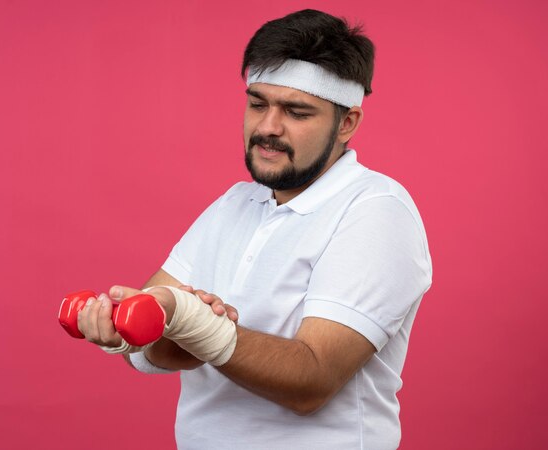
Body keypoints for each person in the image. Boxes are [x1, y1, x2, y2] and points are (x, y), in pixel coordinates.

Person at [77, 9, 432, 450]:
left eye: (297, 112)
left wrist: (188, 319)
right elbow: (156, 344)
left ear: (347, 123)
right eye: (258, 103)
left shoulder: (376, 211)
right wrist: (129, 332)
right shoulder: (235, 204)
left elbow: (311, 381)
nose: (267, 128)